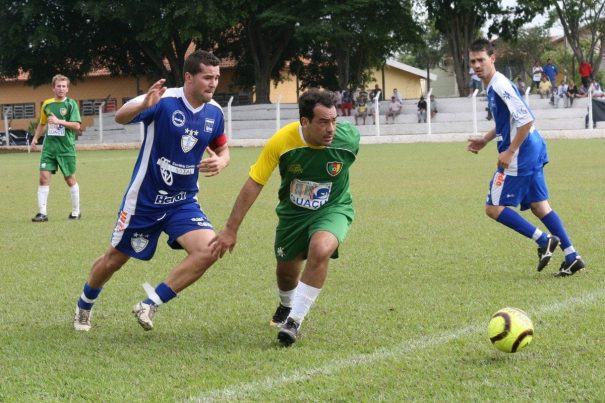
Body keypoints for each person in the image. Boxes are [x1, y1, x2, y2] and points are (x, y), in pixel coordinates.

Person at [72, 50, 230, 331]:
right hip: (144, 201)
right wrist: (144, 103)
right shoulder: (164, 99)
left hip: (183, 202)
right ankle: (84, 305)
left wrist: (222, 159)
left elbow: (222, 146)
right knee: (114, 261)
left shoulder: (215, 112)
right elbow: (120, 117)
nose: (214, 83)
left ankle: (150, 303)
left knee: (209, 250)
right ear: (189, 77)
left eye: (217, 77)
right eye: (208, 77)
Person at [210, 89, 360, 347]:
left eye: (334, 120)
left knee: (320, 248)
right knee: (287, 273)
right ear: (305, 121)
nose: (331, 128)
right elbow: (255, 182)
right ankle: (286, 304)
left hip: (332, 209)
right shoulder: (282, 142)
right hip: (293, 215)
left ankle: (294, 322)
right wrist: (230, 229)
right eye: (323, 122)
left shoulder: (348, 140)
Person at [467, 38, 585, 277]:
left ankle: (544, 240)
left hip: (522, 151)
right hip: (532, 146)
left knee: (493, 208)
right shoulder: (492, 85)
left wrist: (510, 151)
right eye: (473, 61)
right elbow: (509, 121)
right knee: (539, 206)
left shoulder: (499, 84)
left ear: (493, 58)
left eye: (481, 59)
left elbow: (526, 119)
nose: (477, 65)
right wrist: (486, 139)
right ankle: (572, 256)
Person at [30, 74, 82, 222]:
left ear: (67, 89)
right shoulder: (46, 104)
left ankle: (76, 211)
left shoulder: (71, 104)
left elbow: (77, 126)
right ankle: (42, 213)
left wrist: (59, 121)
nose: (61, 89)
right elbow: (42, 123)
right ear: (53, 88)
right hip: (49, 148)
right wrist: (35, 138)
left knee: (69, 179)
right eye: (58, 86)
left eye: (64, 86)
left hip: (66, 148)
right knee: (43, 178)